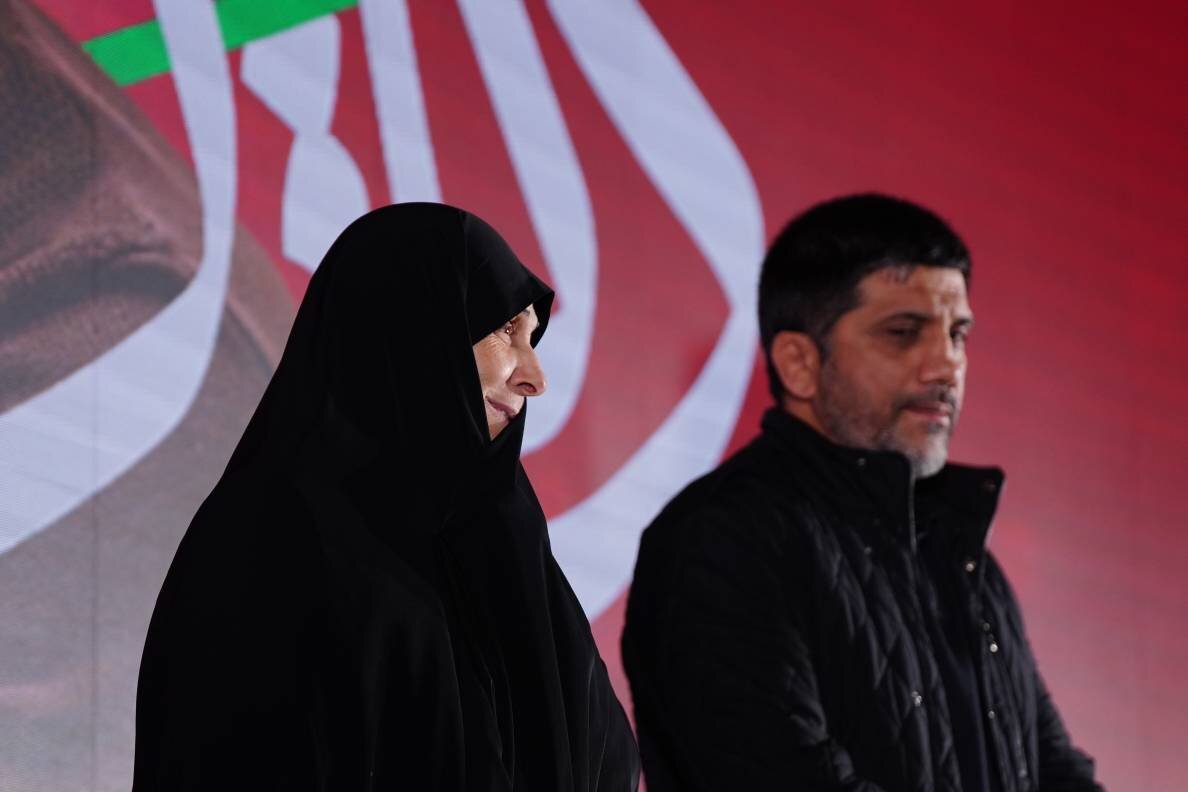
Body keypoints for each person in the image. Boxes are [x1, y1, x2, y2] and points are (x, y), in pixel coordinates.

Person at [133, 203, 640, 791]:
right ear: (414, 323)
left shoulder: (511, 548)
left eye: (533, 339)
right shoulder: (266, 543)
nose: (535, 378)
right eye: (506, 331)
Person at [622, 194, 1103, 791]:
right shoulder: (721, 539)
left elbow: (1055, 771)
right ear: (798, 363)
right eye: (903, 333)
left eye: (958, 334)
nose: (946, 366)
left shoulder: (963, 559)